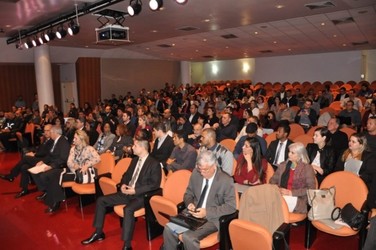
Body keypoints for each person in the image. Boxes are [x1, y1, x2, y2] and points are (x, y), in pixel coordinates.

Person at [81, 137, 161, 250]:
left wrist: (135, 190)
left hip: (141, 196)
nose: (132, 147)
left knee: (128, 209)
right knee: (101, 200)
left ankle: (127, 245)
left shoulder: (154, 163)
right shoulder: (134, 160)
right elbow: (126, 175)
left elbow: (154, 185)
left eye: (135, 146)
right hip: (127, 192)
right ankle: (98, 232)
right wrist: (123, 184)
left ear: (143, 148)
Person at [162, 150, 237, 250]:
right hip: (193, 214)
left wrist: (207, 212)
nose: (202, 173)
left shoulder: (225, 180)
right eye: (200, 169)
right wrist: (189, 204)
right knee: (169, 228)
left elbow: (231, 206)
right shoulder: (196, 173)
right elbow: (188, 193)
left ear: (214, 166)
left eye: (205, 170)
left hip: (211, 218)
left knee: (188, 237)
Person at [40, 130, 100, 213]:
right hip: (73, 171)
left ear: (81, 139)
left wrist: (86, 165)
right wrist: (75, 166)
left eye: (75, 138)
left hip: (80, 174)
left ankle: (55, 202)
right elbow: (69, 162)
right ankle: (55, 201)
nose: (73, 140)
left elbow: (97, 158)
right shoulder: (73, 149)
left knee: (55, 176)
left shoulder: (89, 149)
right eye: (74, 138)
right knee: (53, 174)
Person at [29, 125, 70, 211]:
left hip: (61, 166)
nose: (48, 134)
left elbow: (63, 159)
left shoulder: (63, 142)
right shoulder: (55, 141)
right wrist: (43, 162)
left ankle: (56, 201)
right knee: (35, 172)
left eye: (50, 132)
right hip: (53, 164)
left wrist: (51, 166)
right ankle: (47, 191)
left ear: (55, 132)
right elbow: (50, 156)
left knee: (45, 175)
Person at [269, 142, 316, 214]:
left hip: (298, 199)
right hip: (281, 195)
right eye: (289, 152)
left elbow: (311, 189)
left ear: (300, 155)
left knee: (274, 202)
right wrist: (279, 189)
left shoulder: (307, 168)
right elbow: (272, 181)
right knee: (267, 197)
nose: (289, 154)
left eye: (292, 153)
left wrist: (291, 193)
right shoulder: (283, 165)